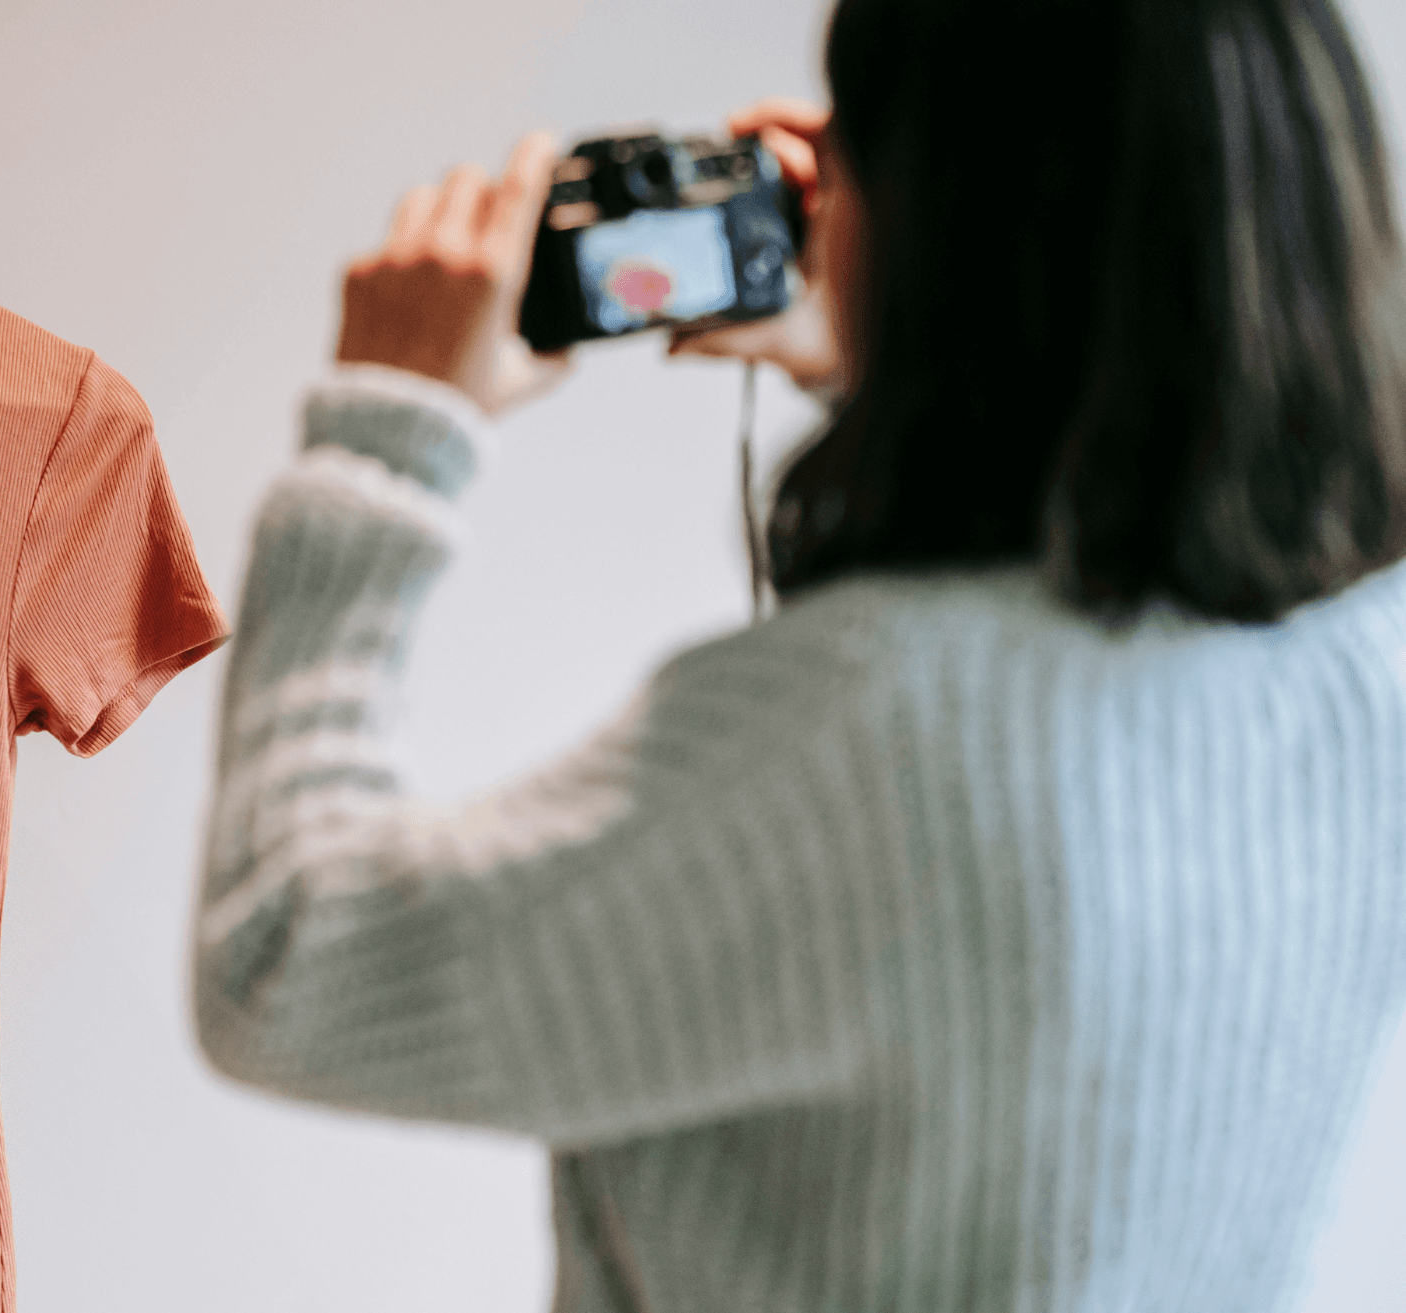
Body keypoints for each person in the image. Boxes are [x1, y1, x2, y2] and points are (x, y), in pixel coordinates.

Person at [192, 0, 1406, 1310]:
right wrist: (906, 346)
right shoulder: (1365, 662)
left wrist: (390, 428)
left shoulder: (882, 736)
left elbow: (288, 963)